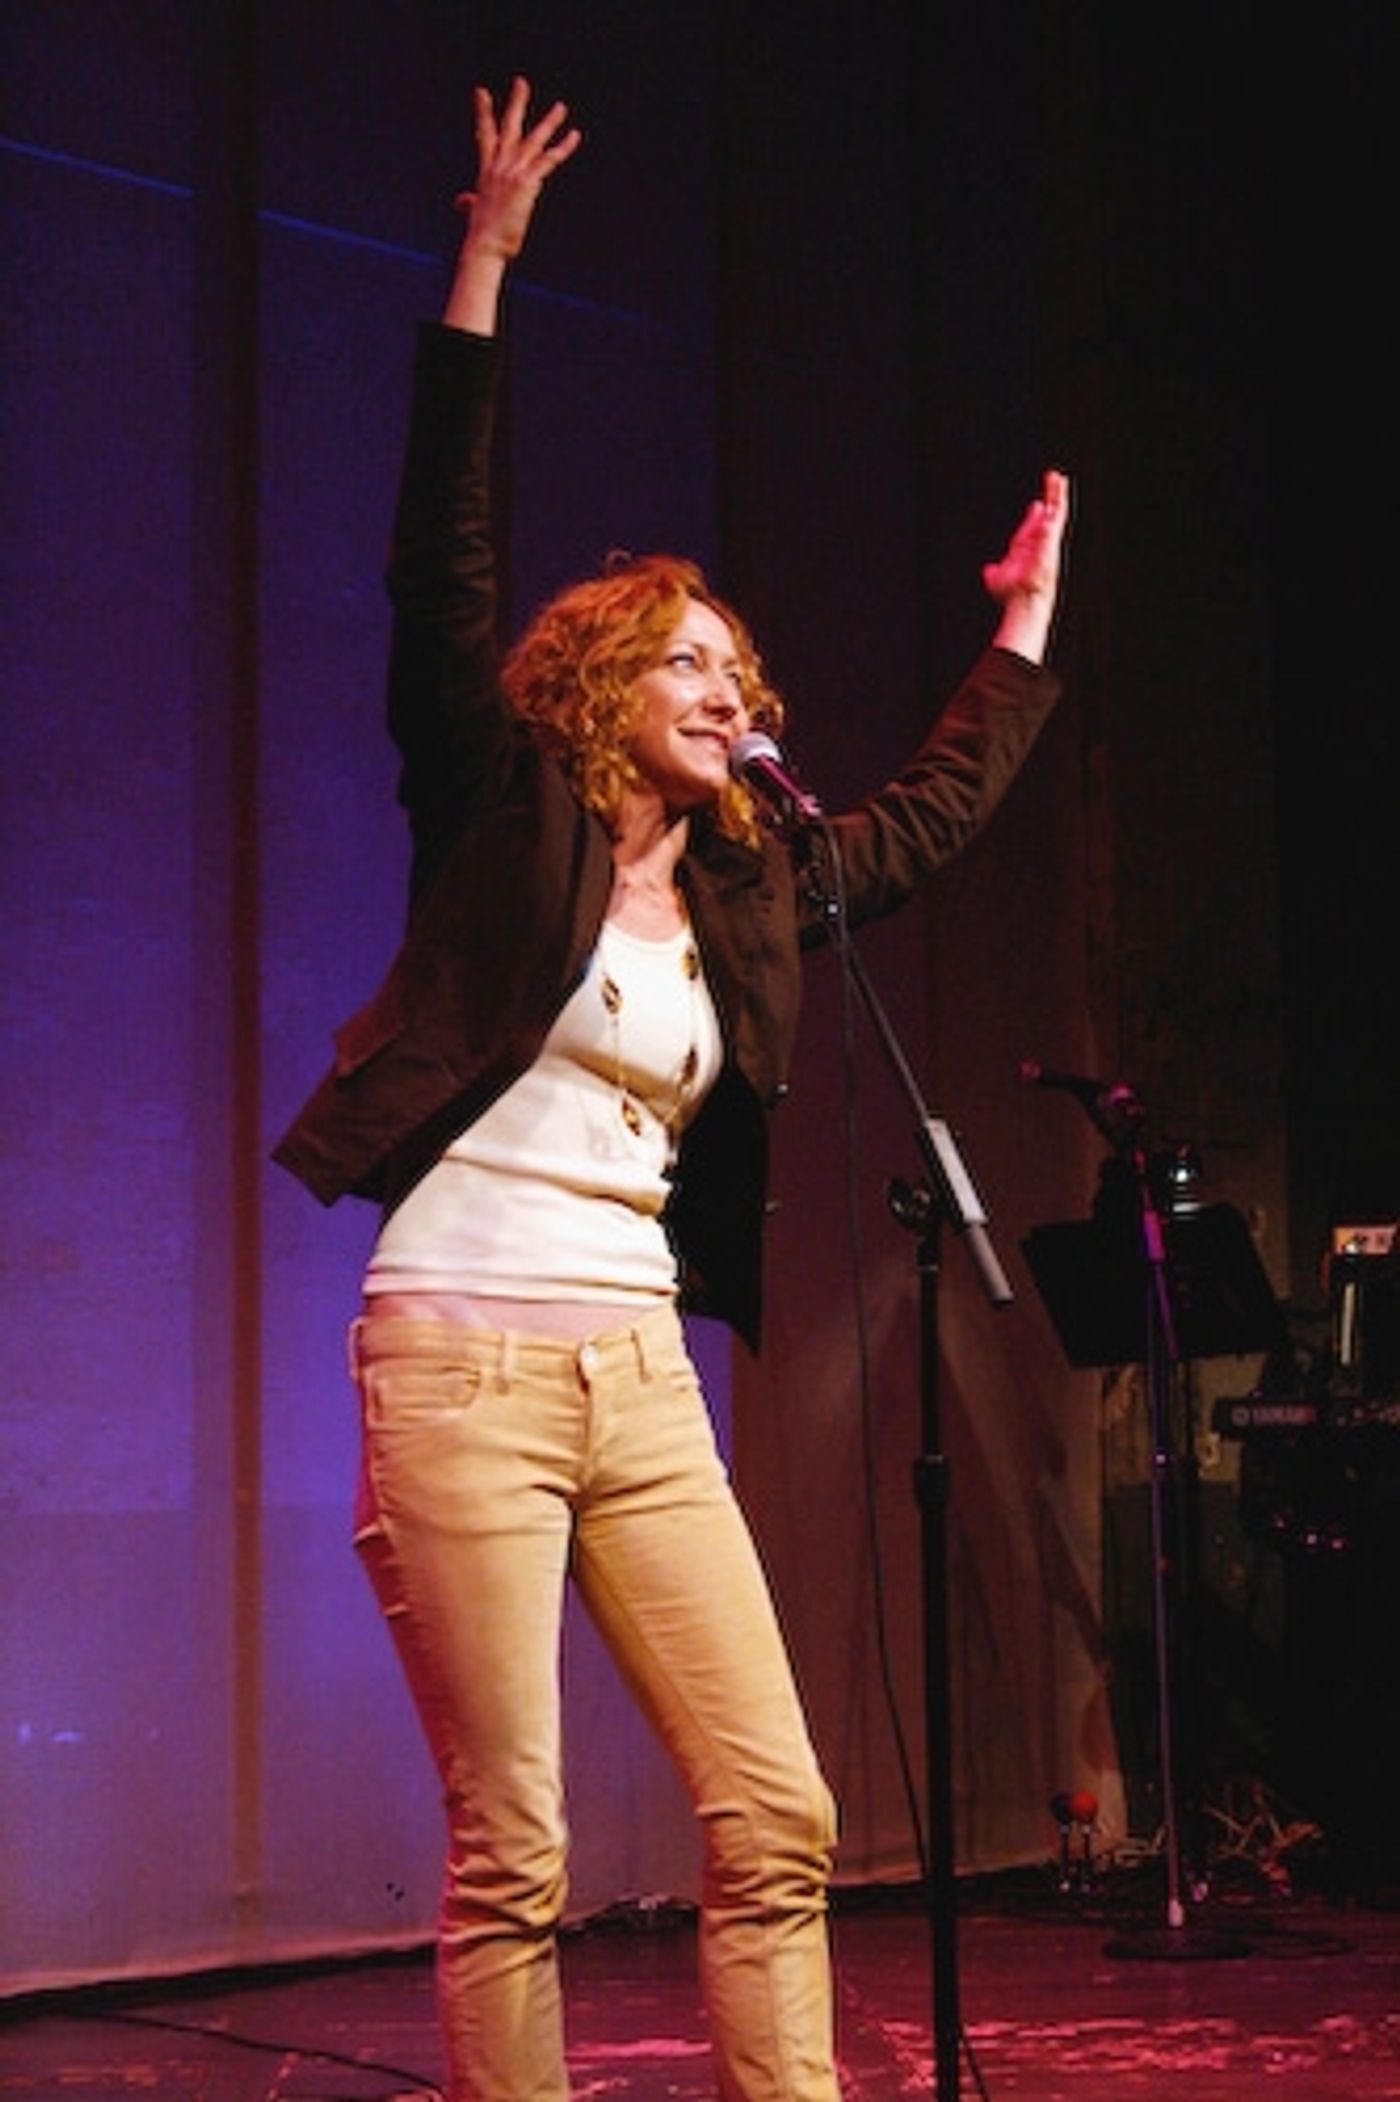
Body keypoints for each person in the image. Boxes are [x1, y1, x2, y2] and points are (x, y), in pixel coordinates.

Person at [273, 76, 1070, 2102]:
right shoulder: (498, 805)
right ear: (600, 681)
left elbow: (922, 824)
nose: (733, 692)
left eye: (744, 672)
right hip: (459, 1355)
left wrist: (1021, 632)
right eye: (692, 663)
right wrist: (481, 267)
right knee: (516, 1848)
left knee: (777, 1809)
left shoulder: (746, 885)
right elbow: (436, 571)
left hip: (639, 1373)